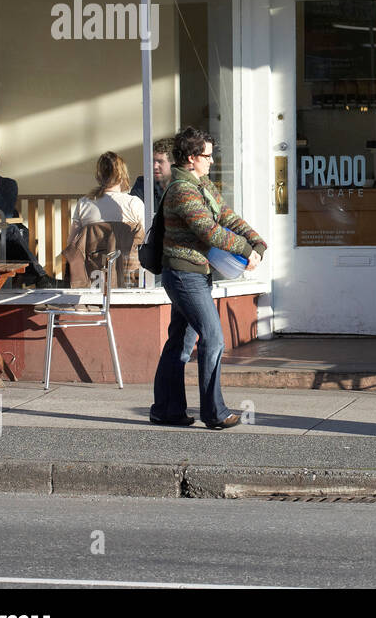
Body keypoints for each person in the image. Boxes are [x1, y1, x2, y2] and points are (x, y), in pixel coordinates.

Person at [150, 126, 266, 429]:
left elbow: (227, 217)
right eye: (208, 156)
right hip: (183, 274)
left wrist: (256, 242)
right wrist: (243, 248)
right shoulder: (182, 189)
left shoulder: (202, 184)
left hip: (195, 273)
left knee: (180, 341)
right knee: (213, 338)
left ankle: (166, 409)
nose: (212, 161)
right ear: (191, 158)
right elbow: (208, 230)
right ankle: (214, 412)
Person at [0, 148, 52, 286]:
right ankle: (39, 276)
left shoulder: (9, 184)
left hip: (4, 232)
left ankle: (32, 277)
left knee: (13, 231)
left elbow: (5, 213)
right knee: (13, 232)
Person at [63, 152, 146, 288]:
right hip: (129, 275)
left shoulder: (84, 203)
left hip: (94, 274)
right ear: (122, 175)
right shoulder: (133, 203)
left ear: (99, 176)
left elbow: (72, 243)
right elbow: (147, 239)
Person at [130, 138, 175, 212]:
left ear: (173, 163)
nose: (155, 166)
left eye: (160, 161)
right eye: (153, 161)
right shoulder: (143, 185)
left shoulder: (184, 188)